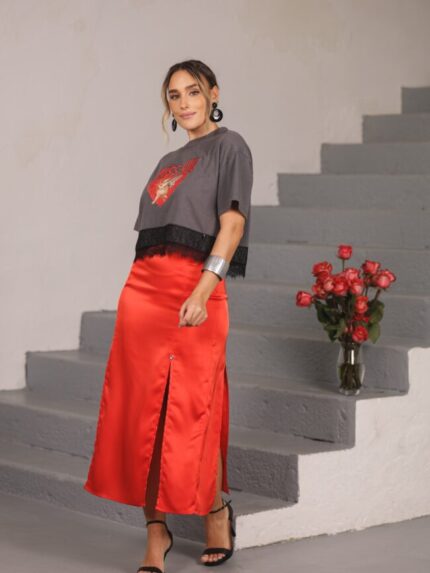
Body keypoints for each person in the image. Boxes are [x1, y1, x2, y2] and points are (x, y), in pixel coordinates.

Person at [83, 59, 253, 572]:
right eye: (174, 96)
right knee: (141, 414)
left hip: (195, 290)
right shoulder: (167, 161)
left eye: (193, 92)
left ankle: (215, 512)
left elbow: (232, 225)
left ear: (213, 93)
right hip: (144, 293)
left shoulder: (230, 147)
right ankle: (155, 533)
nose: (183, 103)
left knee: (194, 407)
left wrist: (204, 288)